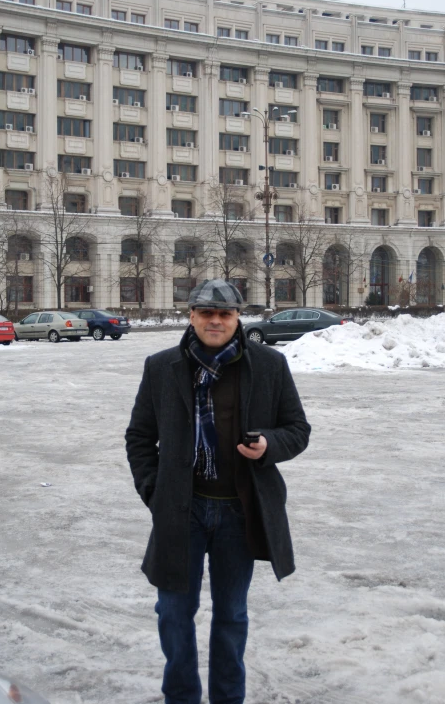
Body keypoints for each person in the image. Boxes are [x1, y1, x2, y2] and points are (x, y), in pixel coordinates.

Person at [125, 279, 310, 704]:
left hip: (238, 513)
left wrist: (268, 445)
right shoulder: (161, 366)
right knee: (173, 614)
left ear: (237, 318)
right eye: (206, 313)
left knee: (231, 615)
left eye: (224, 314)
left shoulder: (268, 365)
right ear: (191, 316)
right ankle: (182, 696)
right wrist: (155, 493)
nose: (215, 321)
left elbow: (298, 430)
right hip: (180, 511)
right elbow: (139, 436)